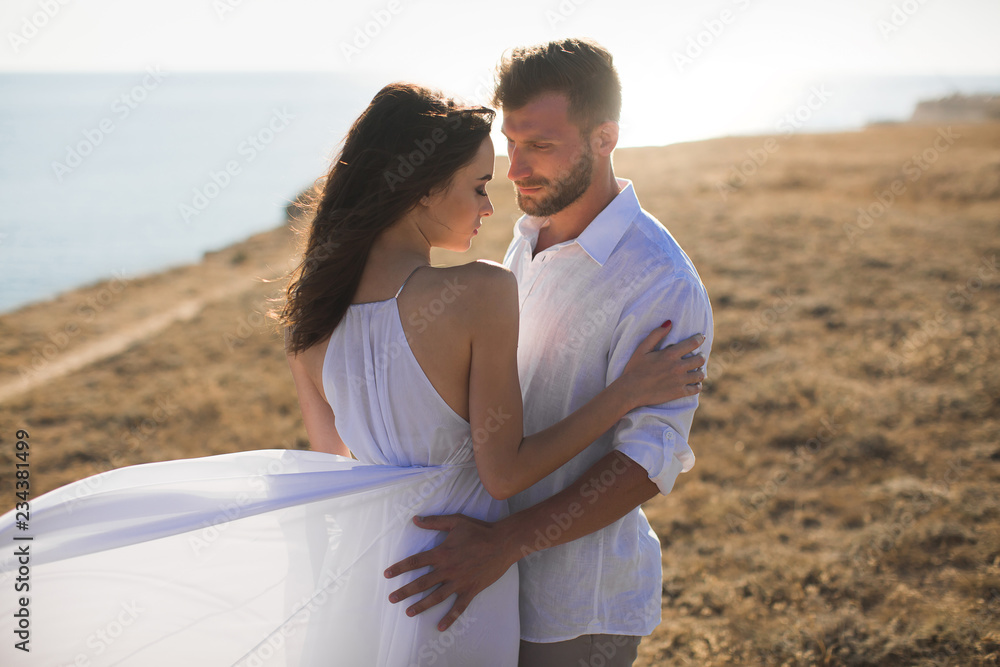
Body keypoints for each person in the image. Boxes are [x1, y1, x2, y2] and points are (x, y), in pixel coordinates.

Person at [0, 82, 705, 666]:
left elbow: (334, 466)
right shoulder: (483, 292)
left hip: (374, 580)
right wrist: (625, 394)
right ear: (426, 190)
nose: (493, 208)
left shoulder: (311, 319)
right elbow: (505, 472)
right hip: (458, 579)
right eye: (478, 186)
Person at [384, 39, 715, 667]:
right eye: (511, 143)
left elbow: (647, 461)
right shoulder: (524, 241)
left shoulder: (660, 280)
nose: (515, 169)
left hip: (574, 610)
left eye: (540, 146)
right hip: (489, 583)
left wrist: (504, 543)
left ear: (604, 138)